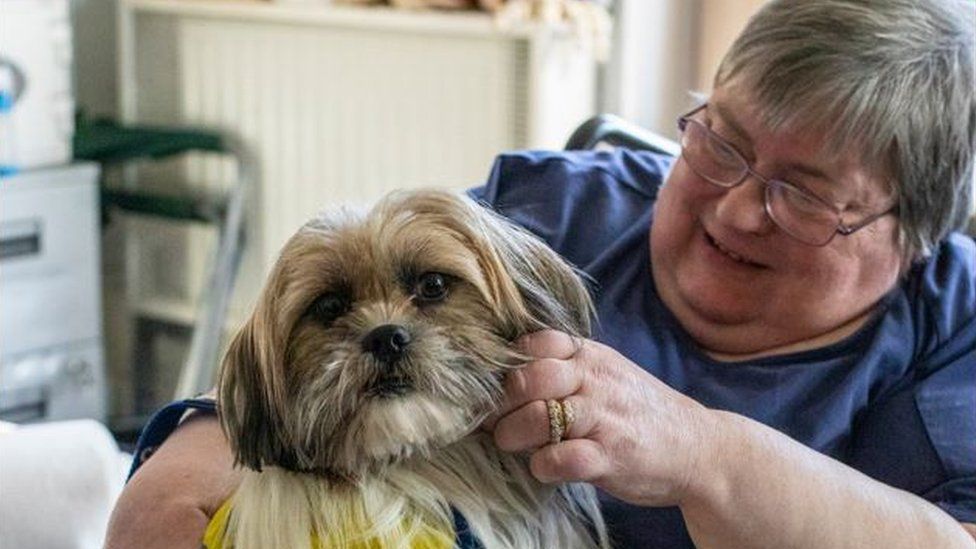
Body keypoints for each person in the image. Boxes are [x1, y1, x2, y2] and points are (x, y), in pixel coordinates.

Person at [105, 0, 976, 547]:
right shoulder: (560, 210)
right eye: (721, 143)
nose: (736, 207)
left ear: (915, 236)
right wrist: (182, 475)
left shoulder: (955, 331)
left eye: (804, 194)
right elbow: (319, 349)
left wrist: (703, 450)